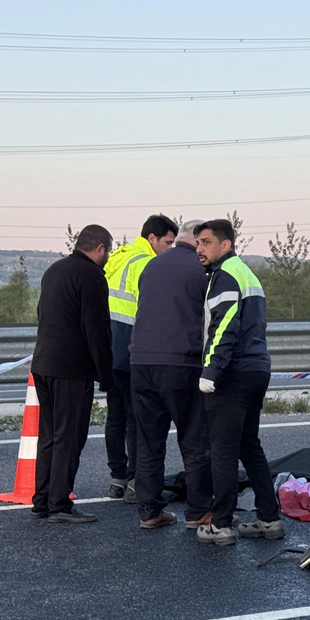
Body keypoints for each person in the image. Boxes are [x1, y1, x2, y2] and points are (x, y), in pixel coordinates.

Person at [193, 219, 278, 545]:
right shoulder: (245, 272)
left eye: (206, 242)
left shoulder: (225, 275)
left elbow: (225, 325)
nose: (199, 249)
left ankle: (221, 525)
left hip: (232, 373)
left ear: (225, 245)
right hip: (256, 369)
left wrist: (210, 372)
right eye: (198, 242)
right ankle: (269, 519)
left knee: (223, 451)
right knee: (248, 446)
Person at [128, 220, 215, 530]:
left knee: (149, 441)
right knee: (194, 439)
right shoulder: (202, 269)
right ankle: (199, 511)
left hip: (140, 360)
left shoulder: (151, 266)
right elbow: (210, 318)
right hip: (182, 362)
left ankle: (150, 511)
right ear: (198, 241)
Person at [31, 225, 115, 523]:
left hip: (42, 364)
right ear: (100, 249)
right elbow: (97, 329)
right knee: (70, 436)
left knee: (50, 435)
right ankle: (60, 504)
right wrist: (106, 374)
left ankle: (42, 501)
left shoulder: (54, 270)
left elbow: (43, 313)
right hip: (71, 369)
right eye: (108, 251)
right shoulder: (92, 276)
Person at [103, 214, 178, 501]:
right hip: (133, 349)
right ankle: (136, 480)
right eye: (168, 243)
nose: (169, 249)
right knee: (137, 417)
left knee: (115, 416)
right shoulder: (147, 263)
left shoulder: (119, 256)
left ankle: (117, 478)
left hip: (110, 349)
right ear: (152, 239)